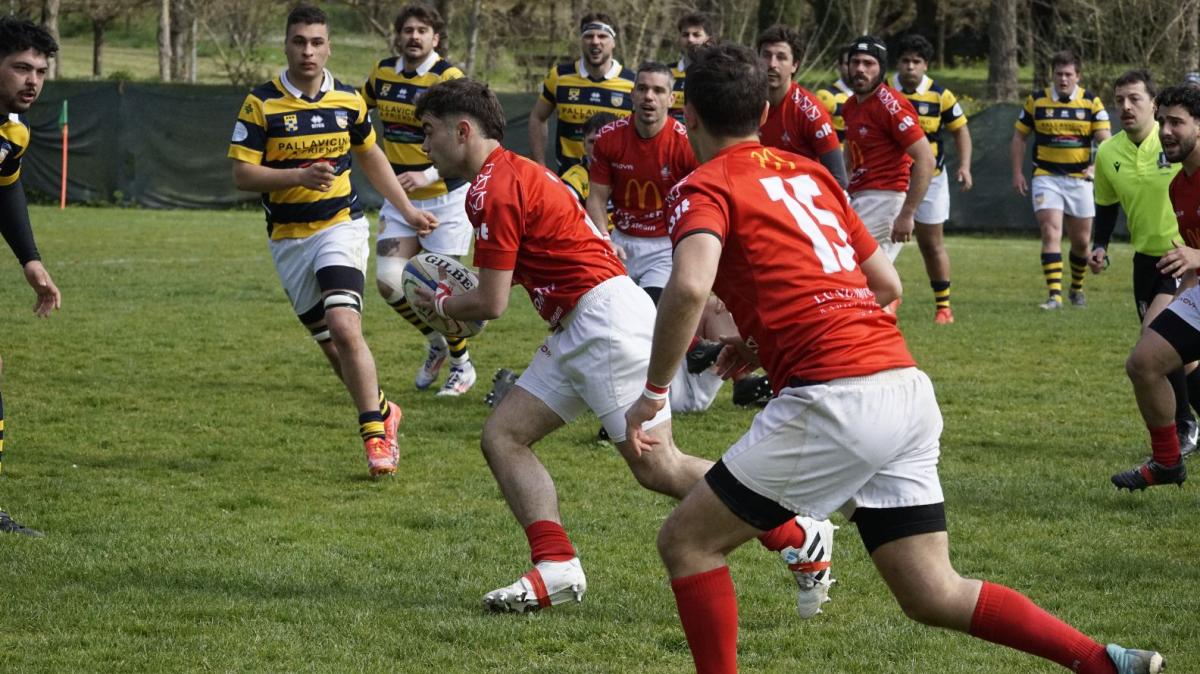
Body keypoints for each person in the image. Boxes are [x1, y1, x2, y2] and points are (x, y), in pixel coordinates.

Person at [625, 40, 1166, 674]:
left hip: (837, 398)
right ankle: (1101, 661)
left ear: (688, 115)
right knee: (933, 592)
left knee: (688, 543)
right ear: (762, 112)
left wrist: (654, 395)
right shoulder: (813, 174)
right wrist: (764, 341)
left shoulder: (702, 185)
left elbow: (690, 287)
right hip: (903, 387)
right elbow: (884, 284)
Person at [412, 77, 821, 614]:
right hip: (581, 321)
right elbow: (509, 279)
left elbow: (490, 303)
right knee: (504, 436)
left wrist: (442, 305)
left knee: (660, 466)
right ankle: (555, 565)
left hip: (600, 320)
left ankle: (797, 534)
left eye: (429, 131)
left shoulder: (493, 188)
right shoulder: (510, 174)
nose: (424, 145)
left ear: (463, 130)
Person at [227, 4, 428, 478]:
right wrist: (296, 176)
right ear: (286, 45)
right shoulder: (261, 103)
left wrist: (407, 210)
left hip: (340, 225)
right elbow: (241, 174)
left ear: (329, 47)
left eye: (317, 42)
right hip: (288, 240)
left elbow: (371, 156)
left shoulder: (349, 100)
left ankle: (375, 439)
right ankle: (384, 410)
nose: (308, 51)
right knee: (333, 346)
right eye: (299, 41)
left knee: (344, 325)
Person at [587, 62, 724, 413]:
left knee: (650, 311)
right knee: (606, 320)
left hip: (666, 245)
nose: (649, 96)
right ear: (632, 94)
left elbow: (703, 198)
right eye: (643, 89)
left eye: (658, 90)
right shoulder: (609, 138)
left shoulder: (685, 143)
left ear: (671, 99)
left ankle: (687, 357)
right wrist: (603, 237)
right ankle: (610, 385)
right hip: (619, 242)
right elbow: (597, 198)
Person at [362, 4, 476, 397]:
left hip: (446, 198)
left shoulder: (448, 78)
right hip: (400, 198)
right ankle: (436, 343)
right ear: (398, 35)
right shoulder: (382, 73)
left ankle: (462, 367)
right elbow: (357, 114)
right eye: (408, 30)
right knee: (388, 282)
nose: (414, 36)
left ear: (435, 38)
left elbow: (466, 135)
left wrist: (427, 174)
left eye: (422, 30)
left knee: (441, 289)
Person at [1088, 70, 1198, 460]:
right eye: (1119, 100)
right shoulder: (1112, 154)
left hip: (1179, 260)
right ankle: (1176, 444)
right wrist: (1099, 244)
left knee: (1156, 343)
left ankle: (1183, 428)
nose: (1126, 106)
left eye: (1134, 98)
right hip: (1152, 262)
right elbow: (1106, 205)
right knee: (1165, 357)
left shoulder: (1177, 152)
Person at [0, 17, 61, 538]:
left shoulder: (12, 132)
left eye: (40, 71)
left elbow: (6, 189)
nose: (33, 80)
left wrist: (30, 259)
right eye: (21, 67)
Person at [1011, 50, 1111, 310]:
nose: (1063, 79)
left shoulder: (1091, 102)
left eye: (1068, 74)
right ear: (1052, 75)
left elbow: (1106, 141)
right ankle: (1054, 295)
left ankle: (1076, 288)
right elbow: (1019, 137)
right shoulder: (1036, 101)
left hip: (1080, 179)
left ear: (1078, 76)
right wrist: (1017, 172)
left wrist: (1095, 167)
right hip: (1046, 177)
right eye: (1059, 74)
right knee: (1050, 231)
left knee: (1081, 241)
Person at [892, 34, 972, 324]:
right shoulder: (885, 91)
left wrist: (965, 166)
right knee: (881, 241)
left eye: (916, 61)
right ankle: (889, 296)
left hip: (932, 179)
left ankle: (943, 307)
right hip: (891, 179)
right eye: (905, 60)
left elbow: (960, 130)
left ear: (926, 65)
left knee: (931, 243)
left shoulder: (940, 95)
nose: (910, 66)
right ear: (897, 63)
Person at [842, 35, 935, 266]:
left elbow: (926, 159)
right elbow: (850, 156)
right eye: (855, 62)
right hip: (860, 196)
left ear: (882, 68)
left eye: (868, 63)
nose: (860, 69)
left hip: (886, 199)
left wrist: (907, 213)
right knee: (865, 276)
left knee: (849, 266)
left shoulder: (891, 105)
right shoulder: (851, 105)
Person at [529, 12, 634, 174]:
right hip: (568, 176)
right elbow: (538, 117)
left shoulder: (632, 82)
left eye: (602, 36)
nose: (595, 41)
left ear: (613, 42)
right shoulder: (559, 76)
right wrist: (539, 166)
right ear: (581, 41)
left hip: (616, 178)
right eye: (589, 36)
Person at [755, 25, 847, 189]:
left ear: (794, 65)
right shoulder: (745, 103)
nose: (772, 64)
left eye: (781, 57)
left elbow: (839, 180)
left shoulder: (810, 111)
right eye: (766, 55)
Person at [560, 111, 617, 204]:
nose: (598, 148)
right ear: (584, 144)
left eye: (605, 141)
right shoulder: (573, 181)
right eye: (592, 142)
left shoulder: (632, 174)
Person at [670, 12, 713, 123]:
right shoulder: (666, 72)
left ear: (708, 39)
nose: (690, 40)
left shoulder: (718, 73)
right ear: (679, 39)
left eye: (696, 35)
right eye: (685, 35)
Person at [815, 47, 852, 144]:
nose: (853, 68)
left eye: (856, 63)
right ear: (839, 67)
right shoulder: (827, 97)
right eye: (848, 63)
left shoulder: (873, 96)